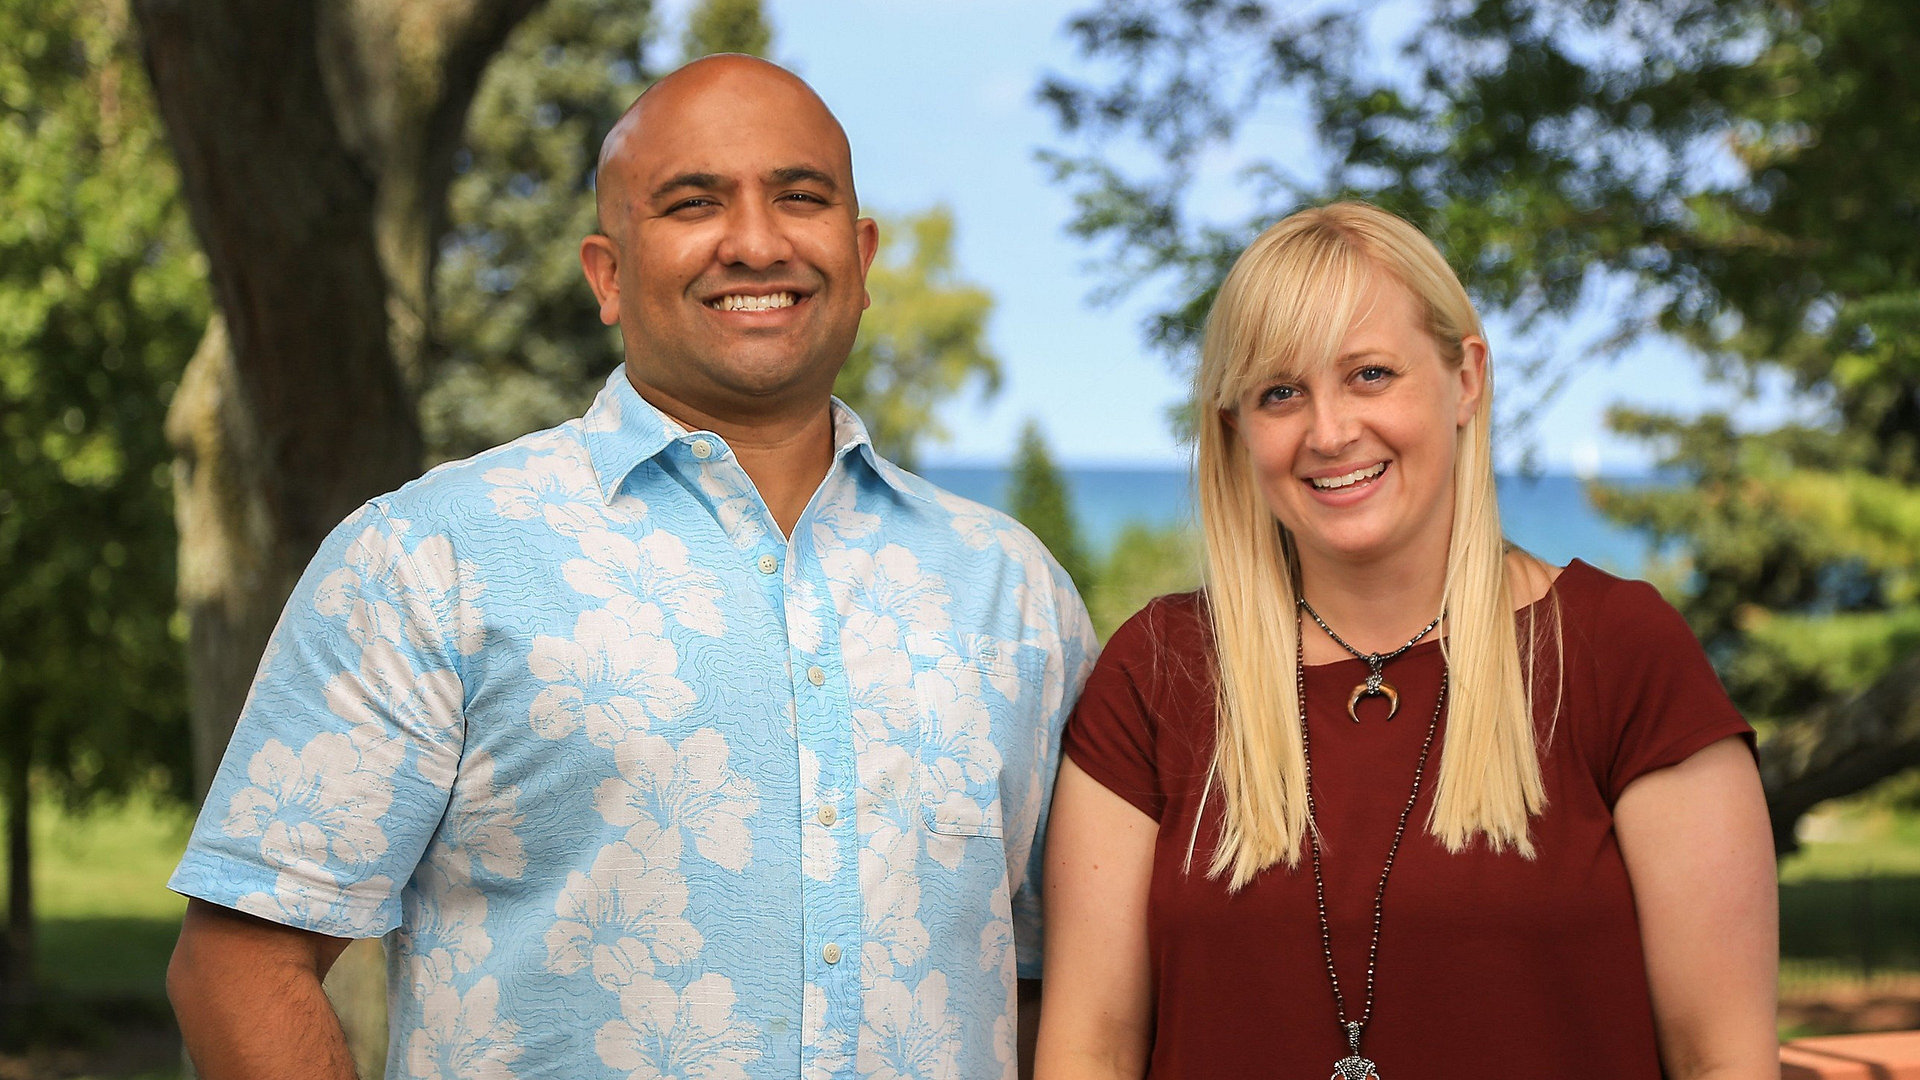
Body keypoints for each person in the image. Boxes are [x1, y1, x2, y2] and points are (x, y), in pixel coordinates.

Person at [166, 54, 1094, 1080]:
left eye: (800, 196)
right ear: (608, 273)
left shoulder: (1011, 592)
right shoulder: (432, 559)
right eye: (694, 202)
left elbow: (1068, 982)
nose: (755, 241)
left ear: (861, 255)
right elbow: (240, 967)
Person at [1033, 202, 1777, 1079]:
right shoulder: (1156, 676)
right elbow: (1091, 1050)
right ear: (1234, 427)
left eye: (1371, 374)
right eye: (1280, 392)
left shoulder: (1617, 652)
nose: (1330, 430)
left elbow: (1722, 1059)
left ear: (1465, 378)